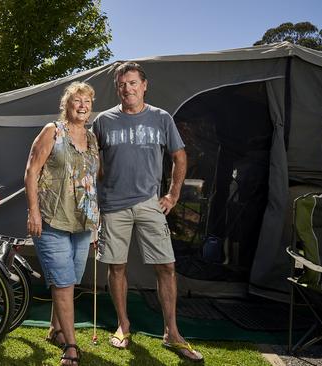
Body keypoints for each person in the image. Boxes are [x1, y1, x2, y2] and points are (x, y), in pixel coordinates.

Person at [92, 62, 203, 362]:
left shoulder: (161, 118)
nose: (127, 88)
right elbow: (91, 161)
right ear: (118, 88)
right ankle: (123, 324)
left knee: (166, 266)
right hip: (113, 206)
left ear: (144, 85)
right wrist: (94, 199)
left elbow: (179, 156)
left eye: (132, 83)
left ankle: (172, 332)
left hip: (149, 203)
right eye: (122, 84)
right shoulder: (103, 121)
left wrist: (173, 195)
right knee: (116, 267)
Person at [25, 81, 99, 365]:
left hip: (82, 223)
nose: (82, 106)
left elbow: (92, 182)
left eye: (87, 102)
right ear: (67, 105)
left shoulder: (92, 140)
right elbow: (31, 172)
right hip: (51, 219)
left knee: (69, 280)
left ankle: (55, 328)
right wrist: (33, 212)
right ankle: (71, 345)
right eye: (77, 101)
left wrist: (95, 224)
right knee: (64, 282)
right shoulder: (52, 132)